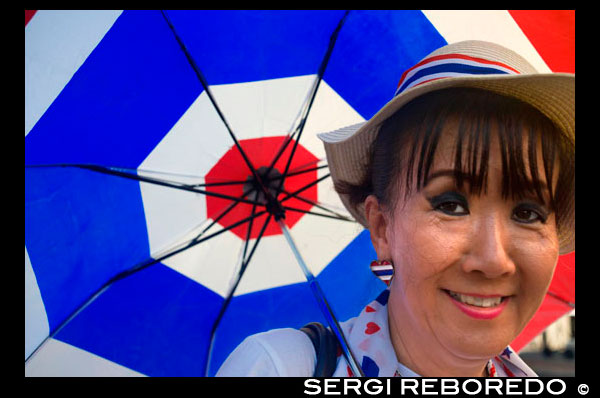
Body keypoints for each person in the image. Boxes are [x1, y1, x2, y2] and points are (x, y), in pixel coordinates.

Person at [216, 40, 574, 377]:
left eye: (528, 213)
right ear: (382, 228)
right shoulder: (279, 367)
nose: (494, 259)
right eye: (451, 205)